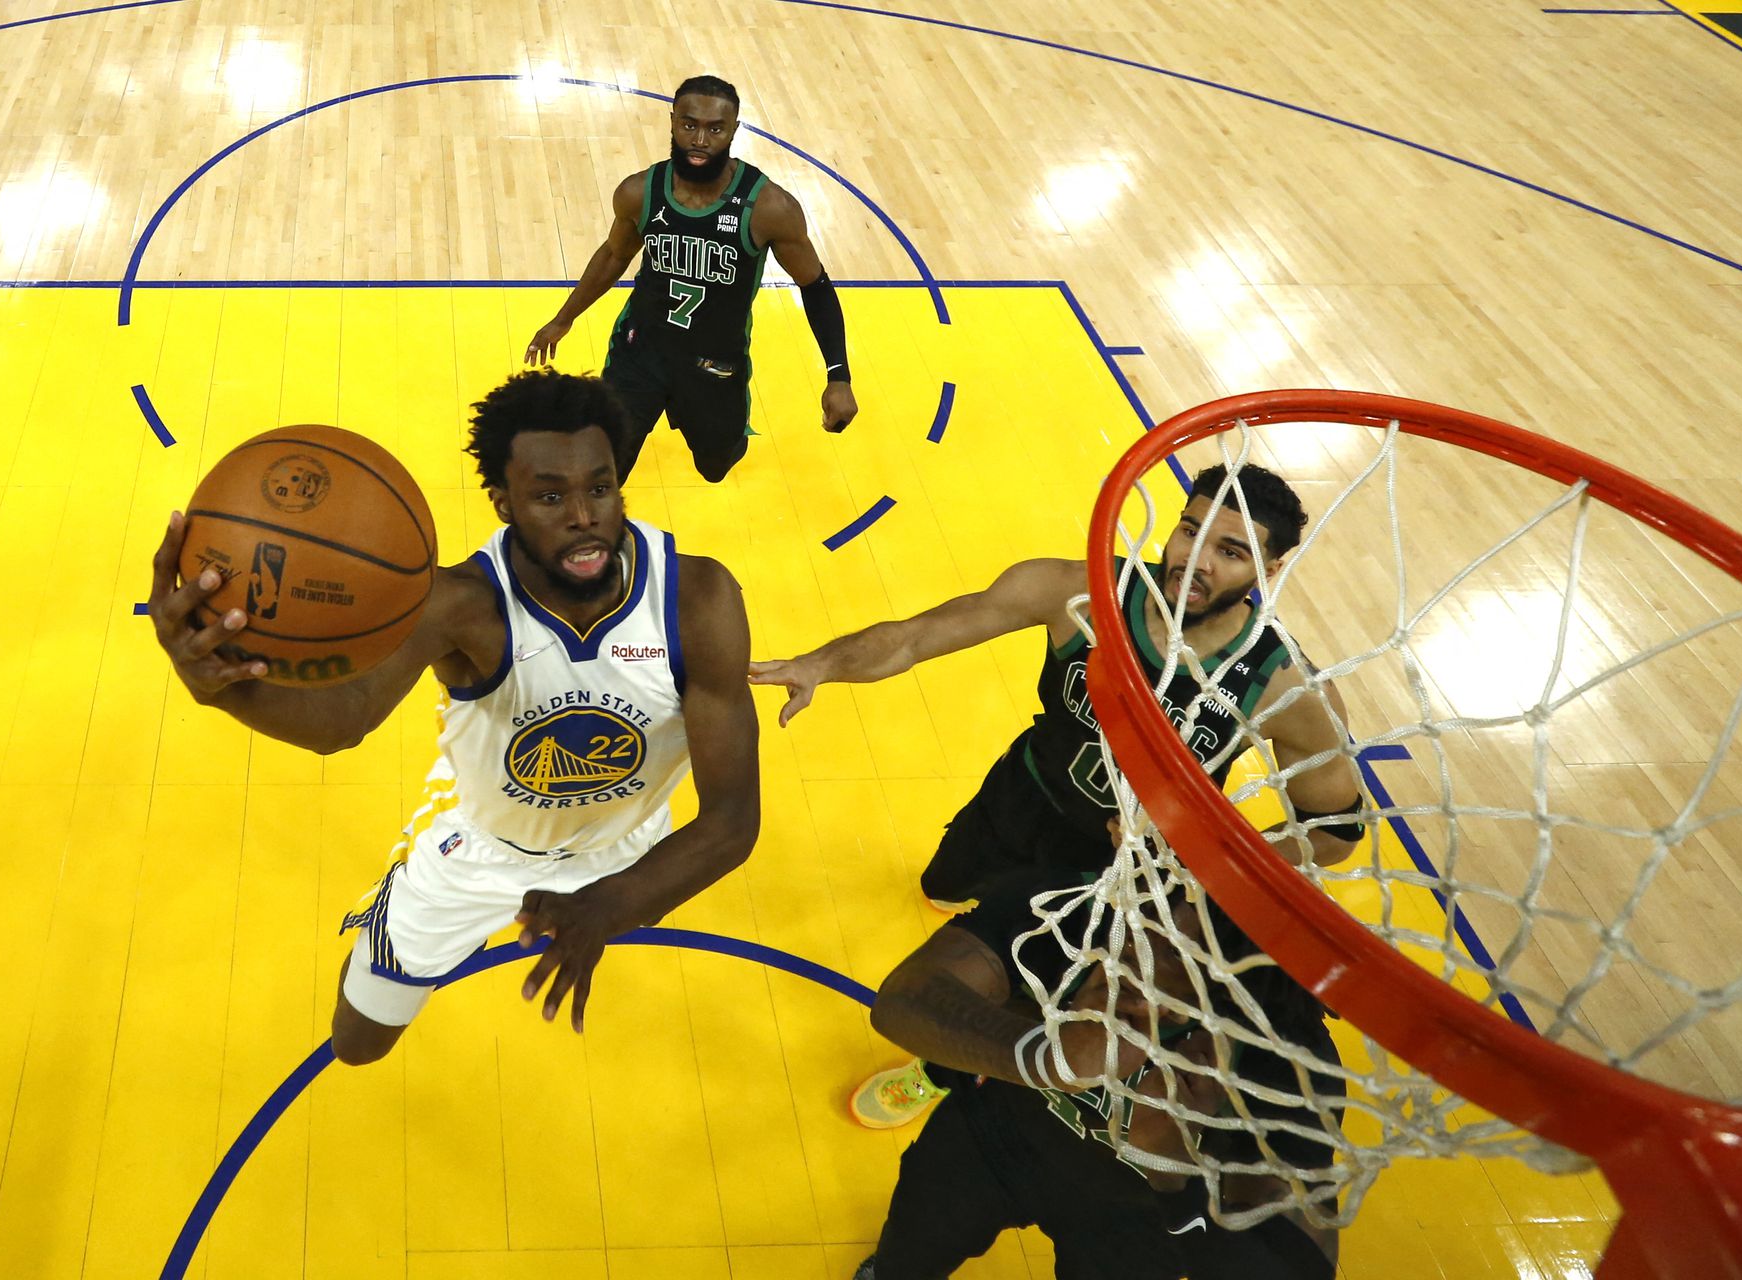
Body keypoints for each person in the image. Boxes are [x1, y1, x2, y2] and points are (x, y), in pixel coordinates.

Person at [147, 370, 761, 1059]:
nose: (583, 515)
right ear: (503, 503)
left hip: (630, 842)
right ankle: (393, 924)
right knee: (357, 1042)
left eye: (600, 488)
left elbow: (732, 821)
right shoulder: (462, 605)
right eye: (549, 496)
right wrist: (218, 686)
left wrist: (612, 902)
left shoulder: (696, 599)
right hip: (484, 849)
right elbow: (343, 719)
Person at [750, 462, 1367, 1126]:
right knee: (945, 883)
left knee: (1022, 990)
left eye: (1231, 551)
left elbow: (1333, 833)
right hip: (1023, 796)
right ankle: (962, 898)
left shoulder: (1284, 687)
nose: (1196, 560)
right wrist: (821, 664)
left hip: (1112, 868)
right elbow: (913, 639)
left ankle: (938, 1072)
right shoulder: (1080, 594)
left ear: (1269, 571)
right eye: (1190, 531)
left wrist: (1200, 852)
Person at [852, 859, 1345, 1279]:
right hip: (994, 1136)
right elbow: (903, 998)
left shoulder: (1291, 1067)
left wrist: (1173, 1167)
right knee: (906, 1255)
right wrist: (1043, 1057)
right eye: (1149, 913)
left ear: (1231, 985)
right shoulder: (1084, 905)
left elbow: (1297, 1265)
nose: (1133, 939)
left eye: (1172, 948)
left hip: (1137, 1218)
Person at [524, 74, 859, 483]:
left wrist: (838, 376)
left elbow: (814, 286)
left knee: (715, 467)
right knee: (602, 470)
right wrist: (563, 319)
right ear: (672, 122)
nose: (700, 140)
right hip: (639, 351)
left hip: (715, 363)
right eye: (689, 125)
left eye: (715, 129)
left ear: (734, 130)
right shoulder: (639, 192)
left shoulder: (769, 207)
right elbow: (614, 255)